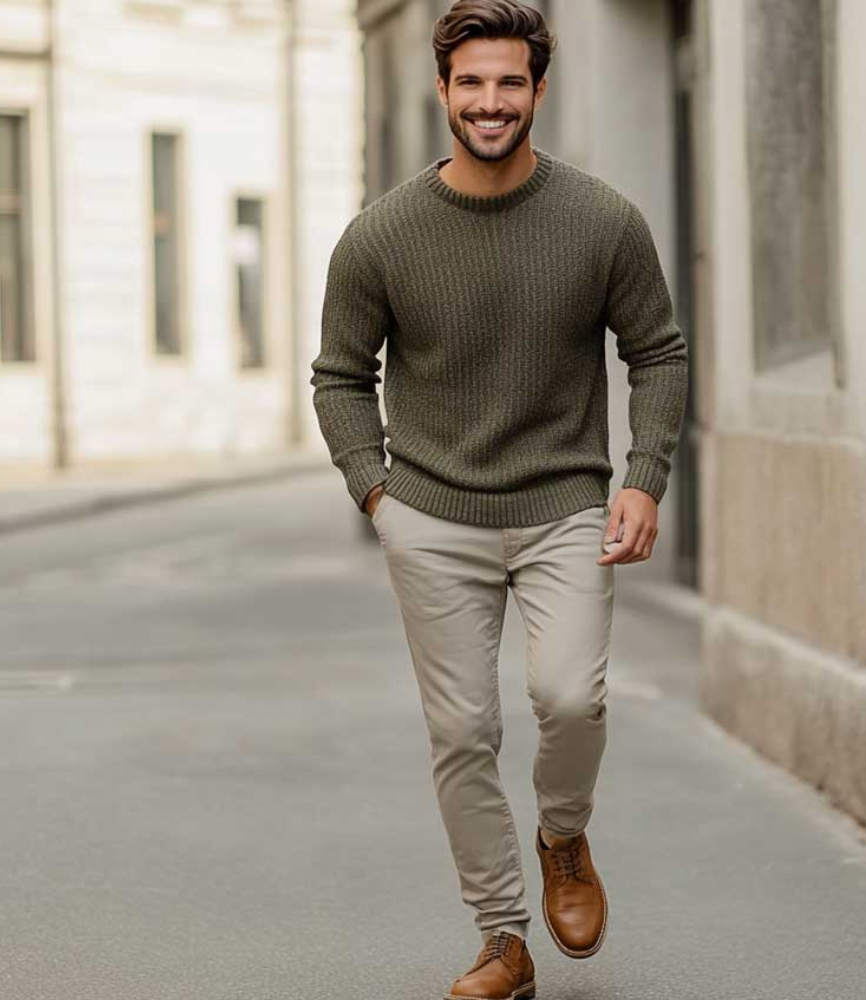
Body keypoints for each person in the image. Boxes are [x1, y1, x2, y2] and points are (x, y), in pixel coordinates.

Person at [310, 1, 688, 996]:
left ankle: (563, 835)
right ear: (443, 90)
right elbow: (339, 375)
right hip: (430, 514)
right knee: (462, 733)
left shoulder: (601, 221)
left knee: (569, 697)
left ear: (538, 90)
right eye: (471, 82)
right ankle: (502, 940)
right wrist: (376, 494)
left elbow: (656, 351)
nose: (490, 101)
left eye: (509, 82)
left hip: (565, 504)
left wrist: (644, 477)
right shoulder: (382, 235)